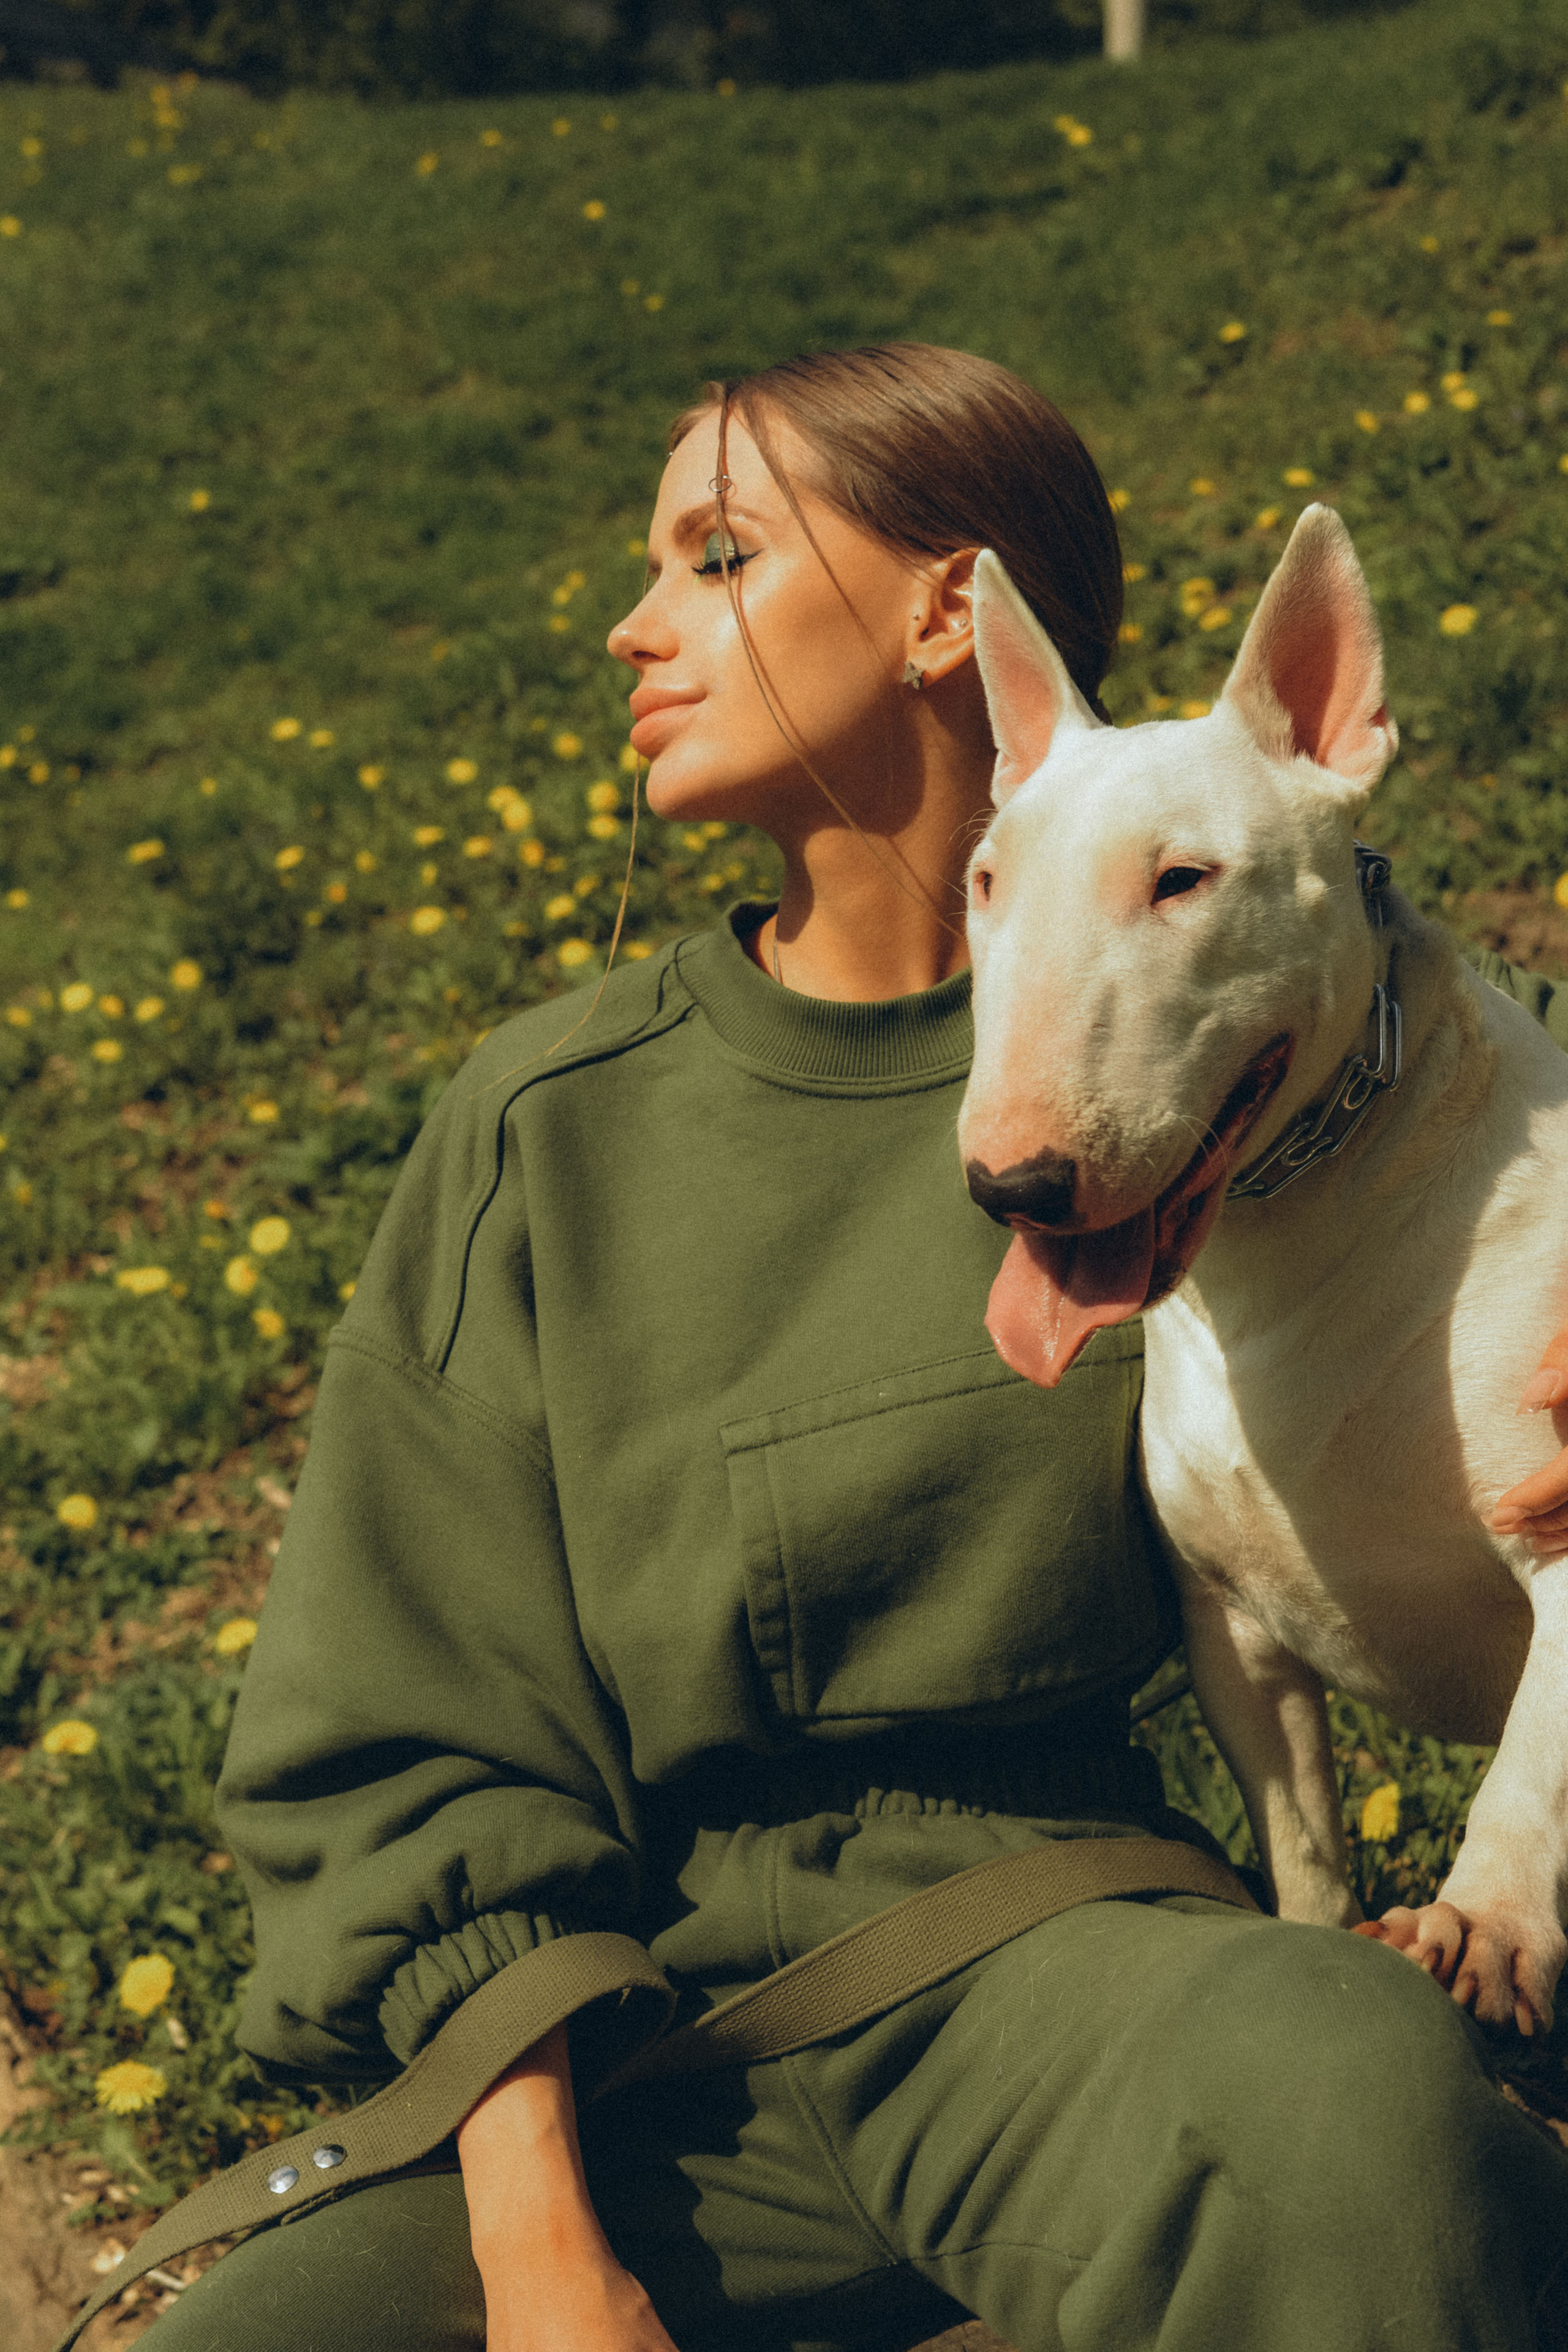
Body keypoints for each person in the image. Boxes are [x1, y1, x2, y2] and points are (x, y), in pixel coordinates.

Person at [138, 346, 1568, 2352]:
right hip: (641, 2061)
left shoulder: (1275, 1091)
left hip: (1079, 1978)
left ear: (946, 615)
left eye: (716, 554)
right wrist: (545, 2254)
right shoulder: (550, 1126)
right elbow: (417, 1730)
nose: (635, 625)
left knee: (1351, 2119)